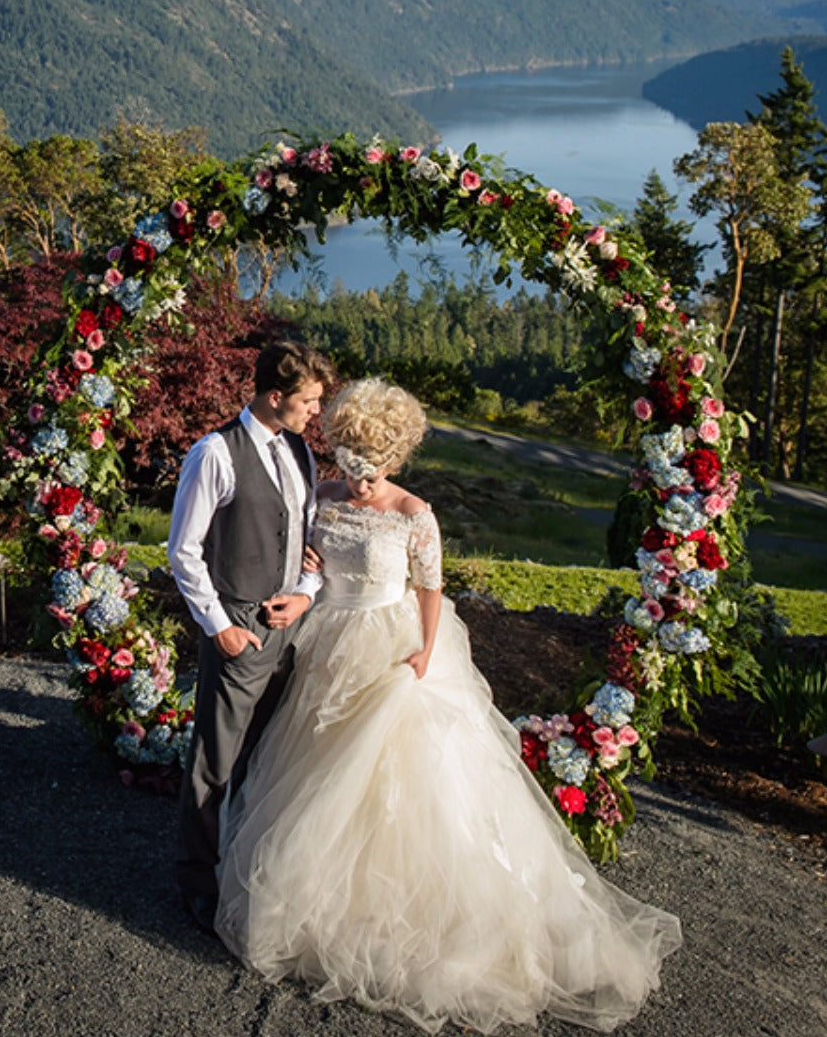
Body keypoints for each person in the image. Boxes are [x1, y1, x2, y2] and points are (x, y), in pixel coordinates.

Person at [215, 378, 682, 1034]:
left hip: (390, 647)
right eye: (349, 457)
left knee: (400, 782)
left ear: (395, 458)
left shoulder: (415, 513)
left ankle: (411, 915)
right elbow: (313, 569)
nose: (359, 477)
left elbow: (430, 587)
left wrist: (426, 652)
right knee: (316, 772)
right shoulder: (320, 498)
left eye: (370, 463)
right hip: (328, 646)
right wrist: (306, 584)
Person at [167, 338, 335, 934]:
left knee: (267, 760)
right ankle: (196, 882)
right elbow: (183, 554)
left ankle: (245, 870)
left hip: (290, 632)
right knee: (215, 761)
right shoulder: (215, 453)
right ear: (275, 397)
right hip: (239, 631)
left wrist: (307, 592)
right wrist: (222, 629)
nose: (317, 412)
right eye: (310, 401)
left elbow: (308, 545)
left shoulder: (300, 454)